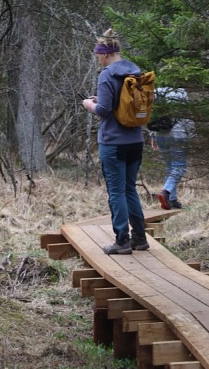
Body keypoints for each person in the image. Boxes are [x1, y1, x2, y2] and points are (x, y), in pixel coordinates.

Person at [82, 29, 149, 255]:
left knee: (117, 192)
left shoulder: (107, 75)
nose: (98, 59)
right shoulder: (136, 72)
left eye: (98, 55)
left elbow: (103, 111)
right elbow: (122, 104)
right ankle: (140, 238)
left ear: (105, 53)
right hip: (135, 140)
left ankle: (122, 240)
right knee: (130, 189)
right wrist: (102, 101)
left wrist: (88, 104)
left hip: (113, 142)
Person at [149, 87, 194, 210]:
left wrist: (152, 135)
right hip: (178, 134)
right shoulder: (181, 92)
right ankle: (166, 191)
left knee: (170, 167)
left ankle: (172, 200)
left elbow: (151, 114)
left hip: (160, 134)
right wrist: (192, 134)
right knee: (179, 166)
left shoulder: (156, 91)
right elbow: (187, 116)